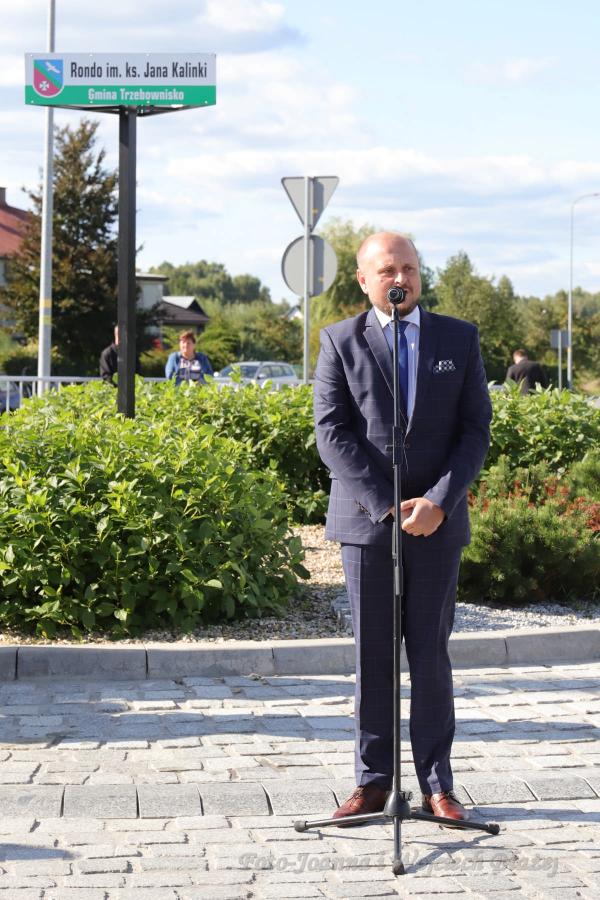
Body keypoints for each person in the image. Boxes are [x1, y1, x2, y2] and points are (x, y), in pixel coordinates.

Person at [313, 232, 492, 824]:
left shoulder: (459, 339)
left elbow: (475, 430)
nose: (401, 278)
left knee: (431, 656)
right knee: (373, 656)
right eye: (388, 269)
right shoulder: (339, 340)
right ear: (364, 280)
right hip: (368, 527)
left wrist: (439, 501)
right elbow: (332, 433)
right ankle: (372, 783)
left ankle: (438, 785)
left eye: (410, 268)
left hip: (438, 525)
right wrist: (388, 506)